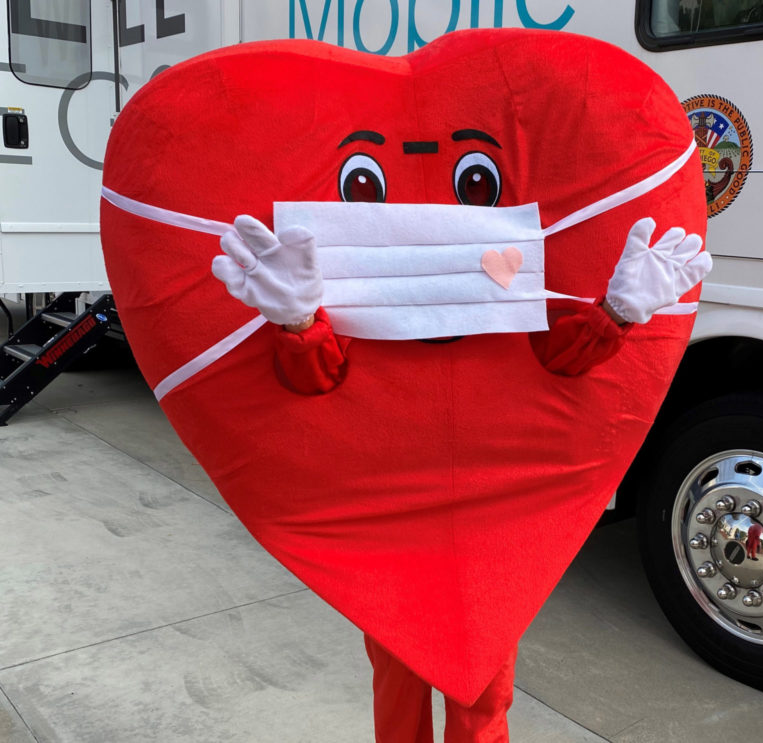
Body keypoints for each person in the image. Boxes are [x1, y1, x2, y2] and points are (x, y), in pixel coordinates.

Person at [212, 214, 709, 742]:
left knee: (482, 686)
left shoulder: (511, 305)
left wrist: (616, 313)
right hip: (395, 517)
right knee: (400, 675)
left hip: (489, 518)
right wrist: (298, 324)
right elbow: (321, 379)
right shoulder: (370, 297)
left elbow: (563, 362)